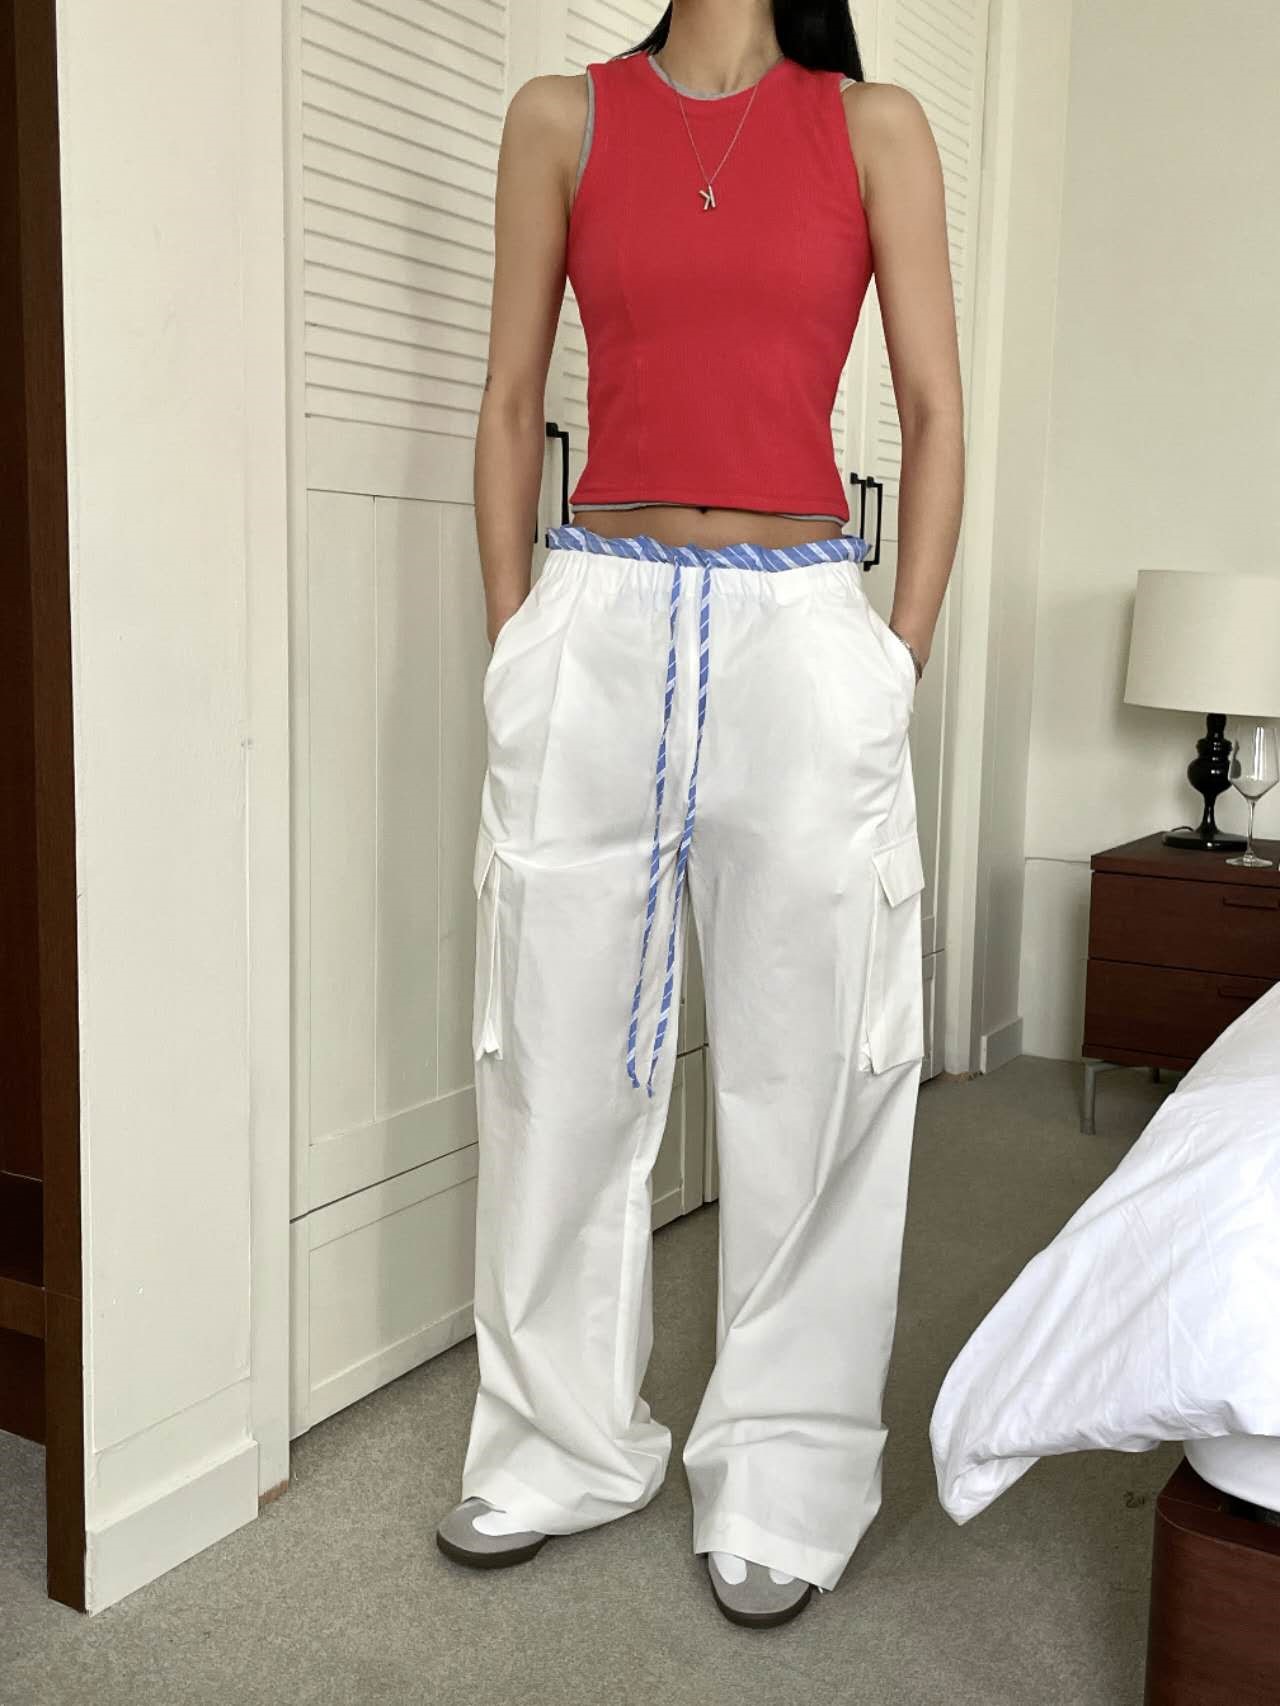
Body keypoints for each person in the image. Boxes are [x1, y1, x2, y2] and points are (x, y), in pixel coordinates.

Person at [435, 0, 963, 1630]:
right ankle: (559, 1444)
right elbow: (510, 394)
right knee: (555, 1050)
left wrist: (894, 661)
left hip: (801, 630)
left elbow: (936, 408)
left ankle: (784, 1475)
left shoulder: (873, 128)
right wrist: (519, 640)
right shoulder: (561, 117)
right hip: (596, 616)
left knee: (815, 1068)